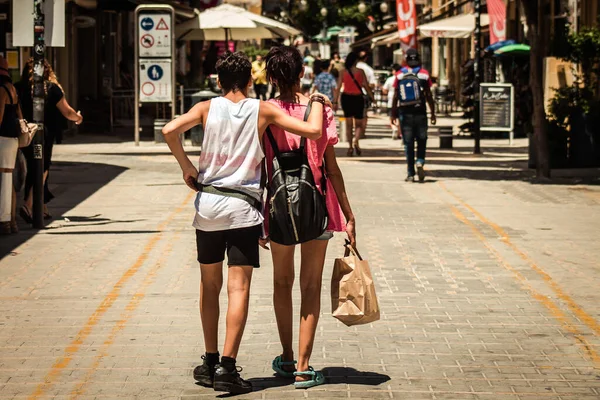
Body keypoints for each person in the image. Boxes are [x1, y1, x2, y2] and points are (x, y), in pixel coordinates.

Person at [161, 51, 328, 395]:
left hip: (207, 204)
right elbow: (312, 131)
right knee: (239, 288)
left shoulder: (207, 107)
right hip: (242, 208)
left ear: (218, 81)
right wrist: (314, 99)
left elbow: (168, 130)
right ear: (251, 82)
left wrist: (187, 168)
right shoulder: (262, 109)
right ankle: (226, 365)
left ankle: (208, 361)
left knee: (210, 285)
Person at [262, 45, 356, 389]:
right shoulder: (317, 111)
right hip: (316, 205)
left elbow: (258, 167)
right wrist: (348, 214)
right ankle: (304, 366)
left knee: (281, 283)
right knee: (310, 286)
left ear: (271, 77)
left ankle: (286, 357)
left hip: (277, 208)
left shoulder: (264, 112)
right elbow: (332, 168)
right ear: (301, 73)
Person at [17, 59, 82, 223]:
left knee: (32, 167)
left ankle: (42, 208)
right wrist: (78, 118)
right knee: (42, 168)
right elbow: (67, 112)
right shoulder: (51, 88)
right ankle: (29, 204)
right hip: (43, 134)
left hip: (25, 133)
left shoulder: (19, 87)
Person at [391, 49, 436, 183]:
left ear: (406, 60)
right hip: (420, 112)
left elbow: (395, 95)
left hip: (405, 113)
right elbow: (428, 94)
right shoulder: (424, 74)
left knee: (408, 143)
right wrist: (433, 112)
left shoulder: (399, 75)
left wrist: (393, 113)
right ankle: (420, 161)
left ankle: (410, 174)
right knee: (422, 140)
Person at [335, 51, 375, 157]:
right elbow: (366, 86)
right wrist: (372, 97)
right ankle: (356, 140)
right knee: (359, 124)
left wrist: (334, 101)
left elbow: (338, 87)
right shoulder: (360, 72)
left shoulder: (343, 72)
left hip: (346, 98)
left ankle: (350, 146)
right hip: (358, 98)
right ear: (356, 60)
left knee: (349, 125)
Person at [0, 56, 22, 235]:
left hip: (3, 139)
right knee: (9, 180)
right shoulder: (12, 89)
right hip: (12, 139)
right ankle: (12, 221)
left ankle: (5, 221)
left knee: (4, 181)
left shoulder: (1, 90)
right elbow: (19, 115)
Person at [356, 51, 377, 137]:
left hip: (352, 94)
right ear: (366, 58)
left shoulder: (352, 68)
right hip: (364, 94)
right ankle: (362, 132)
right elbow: (372, 84)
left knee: (355, 114)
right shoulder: (369, 69)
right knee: (364, 114)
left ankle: (356, 132)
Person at [382, 63, 402, 140]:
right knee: (400, 118)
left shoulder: (390, 79)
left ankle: (394, 128)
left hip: (391, 101)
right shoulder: (402, 78)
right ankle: (399, 133)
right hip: (401, 102)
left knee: (391, 117)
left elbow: (384, 89)